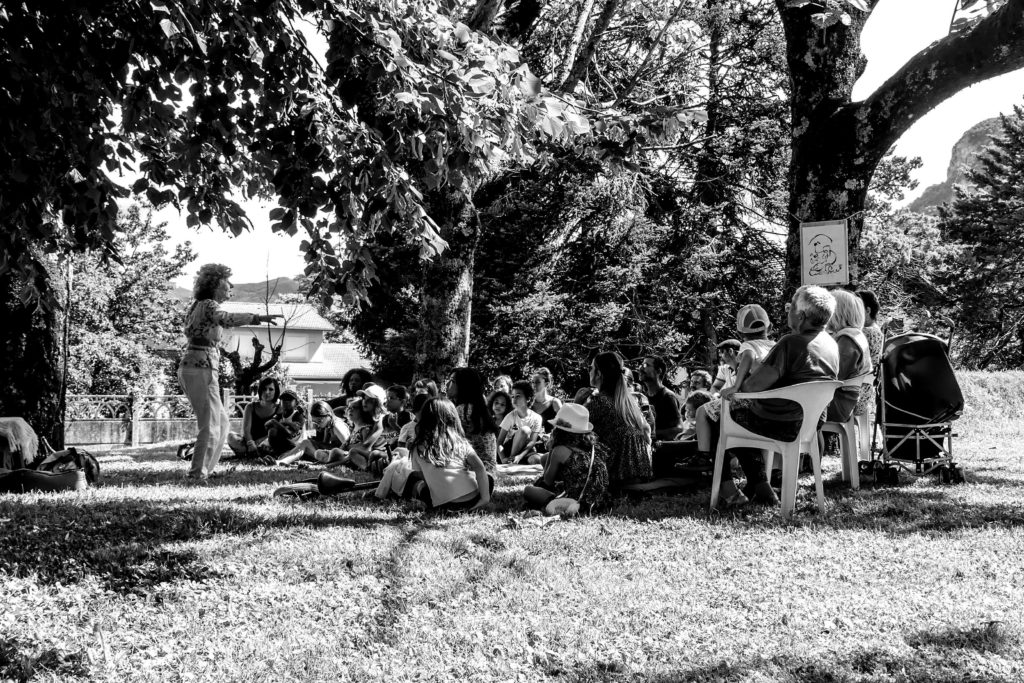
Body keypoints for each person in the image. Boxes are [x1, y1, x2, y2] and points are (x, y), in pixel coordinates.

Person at [695, 286, 840, 508]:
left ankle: (730, 491)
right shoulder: (831, 344)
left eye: (791, 307)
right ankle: (761, 488)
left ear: (801, 316)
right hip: (811, 423)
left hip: (781, 422)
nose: (787, 311)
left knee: (719, 417)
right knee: (739, 417)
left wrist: (739, 381)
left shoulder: (790, 342)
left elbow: (753, 386)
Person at [178, 263, 281, 480]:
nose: (230, 288)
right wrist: (256, 318)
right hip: (201, 369)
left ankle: (207, 469)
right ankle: (197, 473)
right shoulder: (208, 304)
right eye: (226, 284)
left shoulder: (198, 305)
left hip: (200, 369)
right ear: (215, 285)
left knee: (222, 423)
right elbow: (226, 318)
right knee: (210, 424)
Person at [403, 398, 492, 511]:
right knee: (488, 478)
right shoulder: (460, 442)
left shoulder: (416, 448)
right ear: (453, 418)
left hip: (442, 506)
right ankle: (477, 503)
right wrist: (485, 498)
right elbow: (480, 467)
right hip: (471, 500)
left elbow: (427, 481)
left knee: (420, 486)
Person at [522, 404, 609, 513]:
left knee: (528, 490)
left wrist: (552, 448)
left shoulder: (560, 450)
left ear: (559, 430)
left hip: (577, 503)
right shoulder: (594, 446)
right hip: (600, 501)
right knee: (544, 458)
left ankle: (556, 500)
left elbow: (547, 481)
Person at [585, 351, 652, 489]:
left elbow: (576, 434)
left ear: (599, 374)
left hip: (614, 477)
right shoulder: (628, 402)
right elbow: (647, 430)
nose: (589, 371)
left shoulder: (598, 402)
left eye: (590, 368)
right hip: (641, 473)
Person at [825, 290, 872, 423]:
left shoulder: (847, 339)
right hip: (841, 401)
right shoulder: (853, 335)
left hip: (836, 404)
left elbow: (834, 376)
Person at [446, 368, 498, 474]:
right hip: (488, 473)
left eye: (452, 381)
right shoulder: (477, 408)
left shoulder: (463, 410)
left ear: (463, 386)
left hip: (474, 474)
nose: (447, 385)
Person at [275, 400, 350, 466]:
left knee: (306, 443)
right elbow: (325, 443)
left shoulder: (337, 426)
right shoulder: (329, 425)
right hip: (329, 453)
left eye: (319, 421)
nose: (318, 425)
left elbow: (349, 447)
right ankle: (281, 458)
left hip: (337, 456)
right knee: (305, 443)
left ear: (329, 415)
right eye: (315, 422)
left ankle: (281, 461)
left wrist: (333, 460)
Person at [227, 377, 281, 458]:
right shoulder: (250, 407)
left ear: (276, 391)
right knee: (231, 436)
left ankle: (250, 454)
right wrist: (250, 443)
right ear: (260, 390)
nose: (267, 392)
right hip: (249, 443)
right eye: (264, 389)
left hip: (267, 442)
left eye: (271, 389)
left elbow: (278, 431)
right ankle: (252, 453)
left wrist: (259, 442)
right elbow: (246, 430)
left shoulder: (280, 409)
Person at [497, 380, 544, 464]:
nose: (514, 399)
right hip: (510, 450)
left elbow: (532, 442)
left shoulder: (537, 418)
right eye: (512, 396)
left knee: (536, 460)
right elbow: (499, 441)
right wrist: (503, 459)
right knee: (525, 430)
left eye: (518, 396)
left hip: (526, 450)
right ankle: (511, 460)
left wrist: (520, 456)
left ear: (528, 399)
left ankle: (517, 460)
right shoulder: (510, 416)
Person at [640, 355, 684, 440]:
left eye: (646, 365)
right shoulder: (643, 397)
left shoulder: (668, 397)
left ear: (659, 371)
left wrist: (654, 433)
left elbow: (679, 429)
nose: (641, 368)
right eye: (641, 365)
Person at [854, 290, 883, 418]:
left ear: (867, 310)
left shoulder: (866, 332)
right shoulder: (877, 330)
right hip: (869, 393)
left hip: (858, 394)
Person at [263, 389, 305, 457]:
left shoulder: (298, 416)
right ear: (280, 402)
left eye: (289, 399)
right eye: (283, 399)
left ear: (296, 403)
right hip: (284, 443)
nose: (286, 401)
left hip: (296, 446)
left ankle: (276, 453)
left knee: (273, 430)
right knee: (271, 431)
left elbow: (289, 434)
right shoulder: (280, 415)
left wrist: (276, 423)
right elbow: (266, 425)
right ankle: (275, 452)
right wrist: (285, 423)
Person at [529, 367, 563, 432]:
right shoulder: (528, 403)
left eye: (537, 382)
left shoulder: (555, 403)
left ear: (546, 384)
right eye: (532, 382)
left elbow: (563, 426)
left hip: (549, 440)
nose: (534, 385)